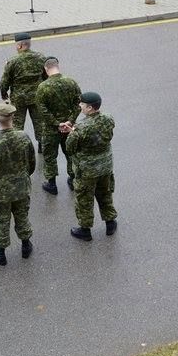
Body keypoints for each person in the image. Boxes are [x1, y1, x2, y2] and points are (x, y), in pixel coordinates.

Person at [0, 103, 36, 265]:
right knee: (22, 216)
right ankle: (26, 246)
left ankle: (0, 253)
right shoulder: (23, 137)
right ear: (12, 117)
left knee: (1, 221)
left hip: (1, 191)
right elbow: (31, 162)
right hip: (22, 187)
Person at [66, 92, 118, 241]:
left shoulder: (81, 127)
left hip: (87, 171)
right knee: (105, 194)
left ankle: (85, 229)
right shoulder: (108, 119)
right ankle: (110, 222)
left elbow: (70, 148)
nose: (80, 106)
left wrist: (71, 133)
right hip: (105, 166)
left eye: (82, 104)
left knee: (84, 200)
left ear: (89, 108)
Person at [35, 57, 82, 194]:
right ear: (57, 66)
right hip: (68, 128)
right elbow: (79, 104)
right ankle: (73, 180)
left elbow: (42, 110)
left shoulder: (43, 87)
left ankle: (52, 184)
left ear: (45, 69)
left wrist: (56, 123)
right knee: (71, 154)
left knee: (50, 156)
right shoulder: (71, 82)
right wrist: (70, 121)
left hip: (51, 129)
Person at [0, 33, 48, 148]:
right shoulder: (41, 57)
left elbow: (5, 80)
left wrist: (4, 93)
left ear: (20, 46)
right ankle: (42, 145)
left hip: (19, 98)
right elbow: (46, 76)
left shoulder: (13, 61)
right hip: (37, 96)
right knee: (39, 122)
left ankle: (18, 146)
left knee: (17, 123)